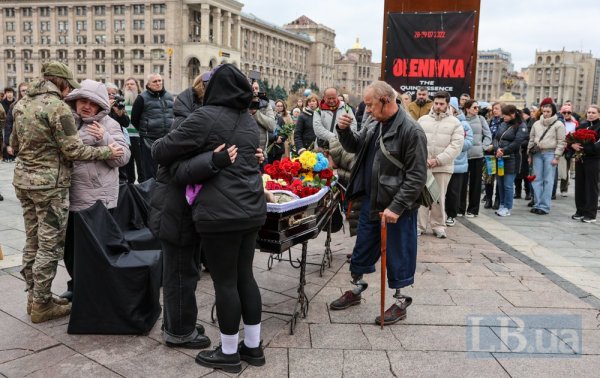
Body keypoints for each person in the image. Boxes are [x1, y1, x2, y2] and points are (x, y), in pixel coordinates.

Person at [152, 64, 267, 373]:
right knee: (245, 277)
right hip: (252, 210)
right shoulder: (247, 120)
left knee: (226, 283)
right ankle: (253, 348)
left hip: (221, 214)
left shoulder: (205, 117)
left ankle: (229, 353)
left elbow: (160, 151)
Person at [10, 62, 124, 323]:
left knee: (33, 241)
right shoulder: (58, 108)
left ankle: (34, 296)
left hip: (23, 181)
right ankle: (42, 303)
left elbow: (14, 144)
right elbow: (73, 150)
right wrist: (107, 151)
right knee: (50, 246)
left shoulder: (21, 104)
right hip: (50, 185)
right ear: (62, 83)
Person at [329, 80, 427, 325]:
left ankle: (401, 301)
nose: (368, 110)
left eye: (371, 105)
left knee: (398, 255)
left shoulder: (411, 131)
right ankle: (357, 288)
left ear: (386, 100)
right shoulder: (374, 122)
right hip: (371, 200)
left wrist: (396, 207)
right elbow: (356, 146)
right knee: (362, 250)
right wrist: (344, 131)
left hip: (397, 207)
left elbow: (417, 176)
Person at [60, 79, 131, 299]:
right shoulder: (67, 121)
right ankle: (76, 287)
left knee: (96, 250)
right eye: (82, 100)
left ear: (100, 105)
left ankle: (96, 289)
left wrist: (104, 139)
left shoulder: (109, 124)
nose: (86, 106)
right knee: (70, 251)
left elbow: (123, 158)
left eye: (92, 102)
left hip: (97, 200)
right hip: (69, 198)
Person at [416, 91, 464, 238]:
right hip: (423, 165)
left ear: (447, 105)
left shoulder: (455, 123)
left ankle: (438, 226)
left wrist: (437, 160)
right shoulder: (423, 120)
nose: (438, 106)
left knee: (439, 197)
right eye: (436, 103)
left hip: (442, 166)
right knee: (421, 196)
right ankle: (419, 226)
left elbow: (456, 146)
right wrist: (422, 159)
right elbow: (415, 141)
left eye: (441, 104)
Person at [131, 73, 174, 180]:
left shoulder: (169, 96)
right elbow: (134, 119)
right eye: (155, 81)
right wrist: (145, 131)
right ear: (148, 84)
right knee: (150, 172)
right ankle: (150, 195)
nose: (158, 83)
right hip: (148, 140)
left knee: (167, 170)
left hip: (166, 138)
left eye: (160, 80)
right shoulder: (142, 98)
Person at [527, 100, 566, 215]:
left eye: (548, 111)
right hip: (537, 154)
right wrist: (529, 155)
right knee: (536, 179)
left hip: (550, 153)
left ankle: (544, 206)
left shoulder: (558, 124)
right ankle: (537, 203)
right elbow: (531, 139)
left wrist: (557, 156)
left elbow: (561, 142)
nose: (546, 113)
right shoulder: (536, 123)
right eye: (544, 111)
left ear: (553, 111)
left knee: (548, 180)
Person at [493, 105, 528, 217]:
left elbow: (517, 142)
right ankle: (502, 204)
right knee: (500, 183)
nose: (504, 117)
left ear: (513, 114)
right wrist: (496, 148)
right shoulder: (503, 124)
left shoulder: (521, 125)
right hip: (500, 158)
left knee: (508, 184)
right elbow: (496, 138)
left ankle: (508, 207)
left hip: (512, 158)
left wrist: (504, 150)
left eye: (506, 115)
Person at [459, 99, 492, 217]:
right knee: (461, 183)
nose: (477, 109)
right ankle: (460, 208)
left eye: (477, 107)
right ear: (467, 109)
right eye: (474, 107)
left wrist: (483, 147)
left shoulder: (481, 119)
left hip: (477, 156)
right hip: (463, 155)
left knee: (476, 183)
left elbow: (488, 135)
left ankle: (473, 210)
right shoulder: (460, 120)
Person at [445, 97, 473, 226]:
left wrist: (455, 145)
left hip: (458, 164)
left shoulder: (464, 124)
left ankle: (451, 215)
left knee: (453, 192)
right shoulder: (442, 122)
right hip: (442, 163)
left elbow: (468, 143)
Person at [570, 105, 600, 223]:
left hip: (593, 160)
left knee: (591, 186)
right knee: (580, 185)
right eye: (588, 112)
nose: (590, 115)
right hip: (580, 159)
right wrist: (572, 145)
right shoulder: (582, 126)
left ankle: (590, 213)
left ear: (599, 114)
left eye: (593, 112)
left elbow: (597, 146)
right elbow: (572, 140)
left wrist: (582, 148)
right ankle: (580, 210)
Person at [106, 83, 131, 183]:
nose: (112, 96)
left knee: (122, 169)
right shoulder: (100, 106)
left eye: (114, 94)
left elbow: (126, 123)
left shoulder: (119, 106)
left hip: (118, 139)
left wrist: (120, 113)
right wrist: (107, 108)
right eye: (109, 94)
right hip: (106, 139)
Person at [122, 77, 144, 183]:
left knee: (141, 167)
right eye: (127, 84)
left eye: (132, 84)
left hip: (139, 138)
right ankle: (130, 194)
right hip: (126, 139)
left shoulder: (142, 100)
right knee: (128, 169)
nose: (129, 86)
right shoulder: (121, 102)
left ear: (137, 86)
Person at [250, 81, 276, 158]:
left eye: (256, 88)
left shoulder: (265, 104)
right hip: (244, 152)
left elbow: (272, 126)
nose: (254, 90)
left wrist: (256, 113)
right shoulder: (241, 103)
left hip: (261, 154)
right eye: (252, 88)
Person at [4, 83, 29, 163]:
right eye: (23, 90)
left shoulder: (38, 105)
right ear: (20, 92)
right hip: (19, 143)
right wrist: (8, 145)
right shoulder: (14, 106)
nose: (25, 92)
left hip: (35, 143)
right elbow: (8, 126)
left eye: (27, 90)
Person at [559, 104, 579, 196]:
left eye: (568, 112)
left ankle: (564, 189)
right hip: (556, 147)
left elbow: (576, 136)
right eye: (564, 112)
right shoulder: (557, 122)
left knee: (565, 170)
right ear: (561, 112)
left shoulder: (575, 123)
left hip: (567, 149)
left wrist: (570, 143)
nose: (566, 114)